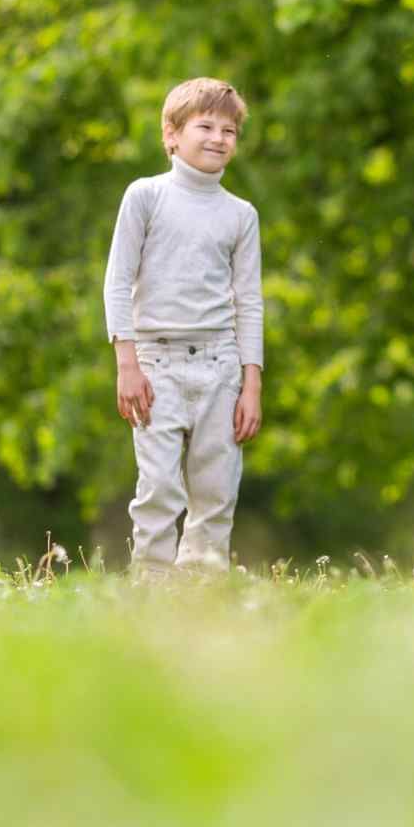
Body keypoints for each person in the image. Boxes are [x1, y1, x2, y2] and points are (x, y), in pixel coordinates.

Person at [104, 78, 265, 573]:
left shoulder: (240, 215)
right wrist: (126, 364)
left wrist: (251, 383)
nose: (219, 138)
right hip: (156, 364)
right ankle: (150, 589)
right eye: (206, 126)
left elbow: (249, 301)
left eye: (230, 130)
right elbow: (117, 282)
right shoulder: (146, 197)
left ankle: (200, 594)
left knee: (216, 488)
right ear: (171, 135)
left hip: (220, 366)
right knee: (158, 487)